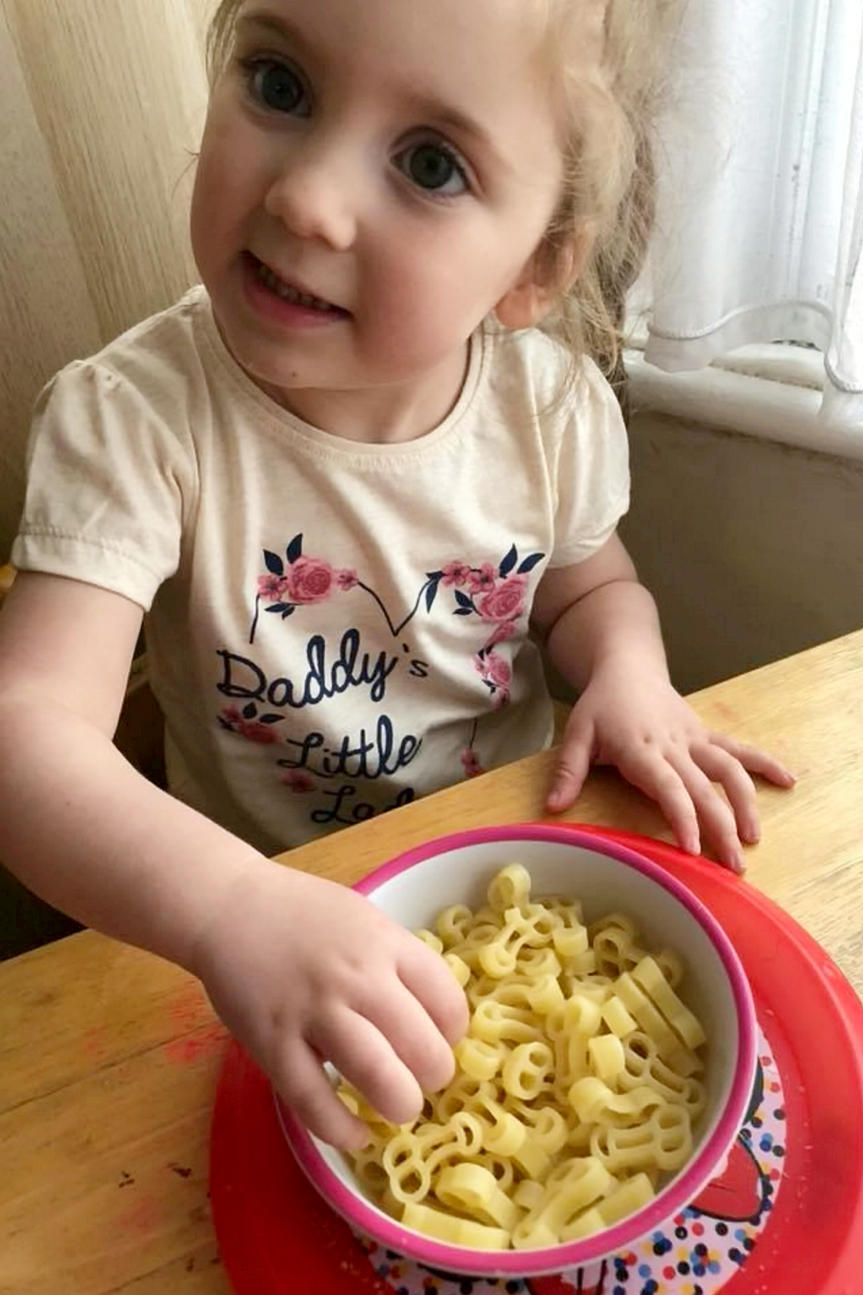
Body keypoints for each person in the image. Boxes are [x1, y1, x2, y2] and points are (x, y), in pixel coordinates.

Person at [0, 0, 793, 1149]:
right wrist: (231, 908)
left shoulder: (550, 412)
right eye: (279, 84)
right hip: (259, 928)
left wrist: (628, 670)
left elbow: (587, 586)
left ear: (536, 268)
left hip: (507, 882)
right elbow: (27, 731)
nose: (306, 198)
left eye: (429, 163)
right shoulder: (134, 422)